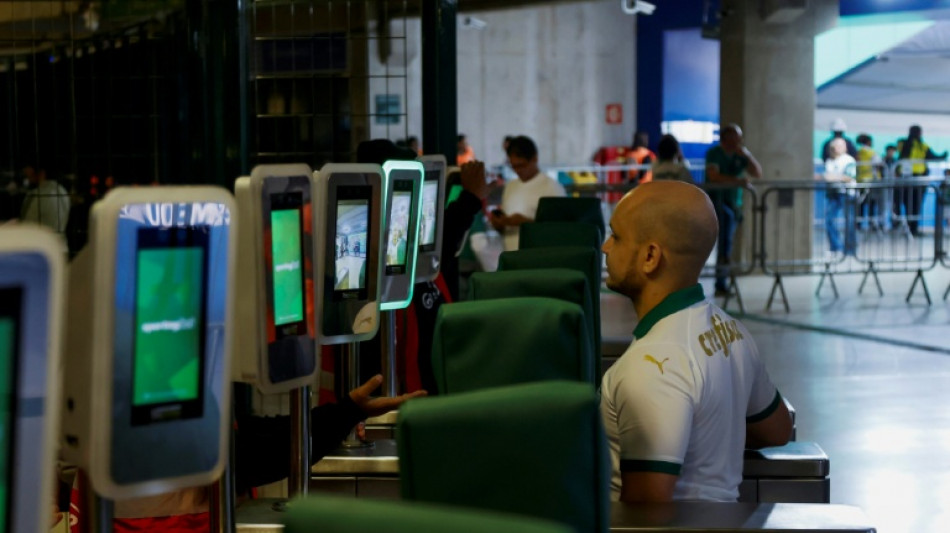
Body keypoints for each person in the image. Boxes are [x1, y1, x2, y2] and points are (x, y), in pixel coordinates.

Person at [599, 180, 792, 503]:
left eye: (616, 236)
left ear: (650, 256)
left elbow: (647, 512)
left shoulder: (651, 367)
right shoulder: (730, 330)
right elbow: (776, 430)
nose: (605, 246)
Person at [69, 375, 426, 532]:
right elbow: (250, 454)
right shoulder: (149, 383)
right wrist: (346, 412)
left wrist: (347, 410)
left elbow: (250, 434)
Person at [704, 124, 762, 297]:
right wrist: (737, 181)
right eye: (734, 138)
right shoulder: (714, 154)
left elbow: (757, 173)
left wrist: (748, 156)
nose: (738, 142)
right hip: (718, 202)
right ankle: (720, 282)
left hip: (734, 203)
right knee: (724, 244)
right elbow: (713, 176)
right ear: (725, 139)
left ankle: (723, 279)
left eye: (739, 138)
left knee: (727, 243)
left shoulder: (741, 155)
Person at [490, 135, 566, 251]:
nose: (518, 171)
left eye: (521, 165)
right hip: (512, 256)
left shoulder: (552, 188)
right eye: (513, 166)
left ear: (534, 159)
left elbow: (559, 230)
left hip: (539, 258)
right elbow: (505, 229)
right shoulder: (510, 186)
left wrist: (527, 223)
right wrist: (500, 224)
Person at [896, 125, 948, 236]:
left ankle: (909, 227)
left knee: (907, 204)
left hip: (905, 179)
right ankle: (913, 228)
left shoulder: (903, 144)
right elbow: (935, 157)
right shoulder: (922, 146)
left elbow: (899, 155)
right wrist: (945, 154)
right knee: (916, 204)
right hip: (918, 179)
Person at [818, 138, 857, 258]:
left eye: (840, 146)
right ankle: (835, 247)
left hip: (847, 193)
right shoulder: (829, 161)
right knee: (829, 220)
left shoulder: (849, 160)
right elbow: (825, 176)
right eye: (834, 146)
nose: (836, 148)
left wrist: (832, 177)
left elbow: (849, 176)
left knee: (850, 221)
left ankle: (850, 248)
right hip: (833, 194)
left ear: (845, 147)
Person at [20, 164, 70, 233]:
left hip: (39, 241)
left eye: (28, 166)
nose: (24, 171)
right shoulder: (62, 191)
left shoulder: (36, 195)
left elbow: (26, 228)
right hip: (59, 242)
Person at [854, 134, 882, 231]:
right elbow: (878, 165)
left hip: (860, 181)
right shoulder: (871, 152)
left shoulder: (858, 152)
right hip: (871, 181)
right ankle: (872, 223)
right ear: (868, 142)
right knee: (871, 203)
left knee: (860, 203)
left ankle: (858, 223)